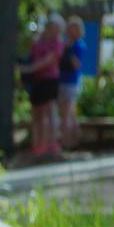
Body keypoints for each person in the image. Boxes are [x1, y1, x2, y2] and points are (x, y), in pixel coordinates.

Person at [20, 14, 65, 156]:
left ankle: (48, 144)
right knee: (36, 114)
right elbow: (31, 54)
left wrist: (27, 69)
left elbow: (47, 61)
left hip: (50, 81)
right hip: (37, 81)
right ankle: (37, 144)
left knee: (47, 113)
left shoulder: (58, 43)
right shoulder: (39, 41)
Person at [58, 16, 87, 149]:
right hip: (62, 81)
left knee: (66, 115)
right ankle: (74, 140)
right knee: (70, 114)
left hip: (71, 83)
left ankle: (67, 143)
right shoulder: (65, 43)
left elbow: (76, 65)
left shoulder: (79, 45)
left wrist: (68, 51)